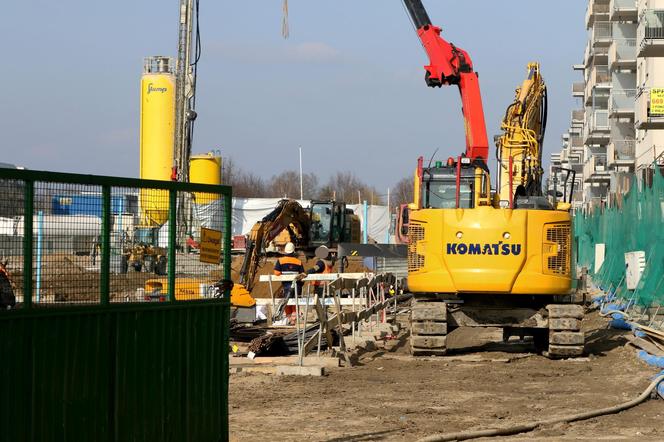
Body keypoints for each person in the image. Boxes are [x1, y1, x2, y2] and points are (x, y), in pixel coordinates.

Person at [273, 242, 304, 320]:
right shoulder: (299, 262)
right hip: (297, 286)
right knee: (295, 302)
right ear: (293, 251)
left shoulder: (280, 260)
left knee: (286, 302)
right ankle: (294, 320)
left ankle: (289, 319)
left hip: (286, 286)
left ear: (285, 251)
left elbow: (276, 273)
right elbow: (302, 274)